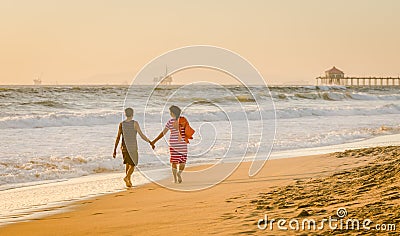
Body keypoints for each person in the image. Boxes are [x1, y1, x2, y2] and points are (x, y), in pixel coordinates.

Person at [151, 105, 193, 183]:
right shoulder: (184, 120)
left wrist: (154, 141)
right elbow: (188, 130)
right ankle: (179, 173)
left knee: (174, 161)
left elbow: (163, 133)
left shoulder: (170, 122)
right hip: (182, 143)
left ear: (173, 113)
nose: (170, 113)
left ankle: (175, 179)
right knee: (182, 161)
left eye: (170, 112)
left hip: (173, 144)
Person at [113, 107, 154, 187]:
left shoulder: (121, 124)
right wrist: (150, 142)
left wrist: (114, 150)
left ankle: (128, 181)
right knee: (133, 164)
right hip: (132, 147)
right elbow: (141, 135)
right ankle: (127, 177)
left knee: (128, 164)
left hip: (124, 148)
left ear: (125, 114)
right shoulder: (135, 123)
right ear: (132, 114)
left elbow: (118, 137)